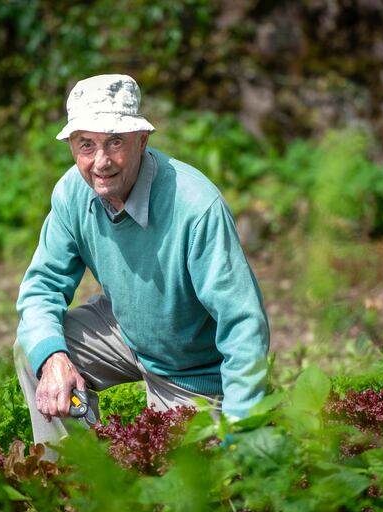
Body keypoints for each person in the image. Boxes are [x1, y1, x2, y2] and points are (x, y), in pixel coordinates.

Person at [13, 74, 269, 454]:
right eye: (86, 144)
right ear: (71, 145)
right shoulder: (71, 192)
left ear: (142, 140)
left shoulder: (195, 206)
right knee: (36, 346)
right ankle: (71, 481)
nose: (101, 162)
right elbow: (42, 287)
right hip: (129, 332)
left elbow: (243, 322)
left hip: (192, 370)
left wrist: (242, 424)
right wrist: (53, 359)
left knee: (183, 494)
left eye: (115, 142)